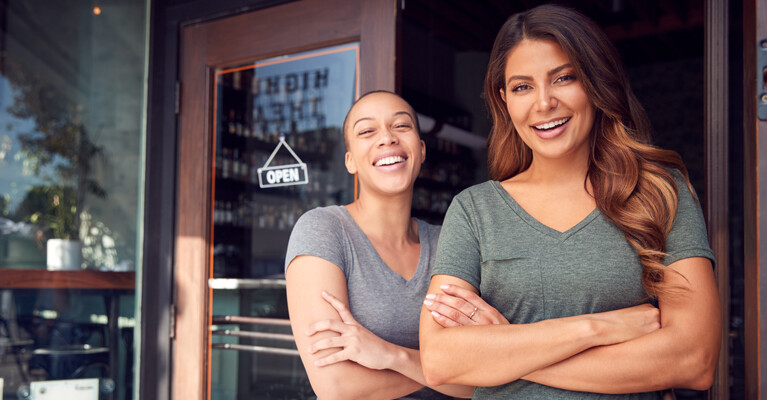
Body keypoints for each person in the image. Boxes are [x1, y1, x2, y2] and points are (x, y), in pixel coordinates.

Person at [419, 4, 720, 399]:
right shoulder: (475, 211)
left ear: (595, 83)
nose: (544, 103)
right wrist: (597, 328)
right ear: (504, 99)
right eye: (522, 86)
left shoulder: (659, 193)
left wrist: (505, 349)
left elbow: (693, 360)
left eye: (563, 78)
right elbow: (442, 360)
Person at [285, 91, 473, 399]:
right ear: (350, 161)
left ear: (421, 150)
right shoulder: (324, 230)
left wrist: (390, 356)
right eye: (367, 131)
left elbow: (484, 377)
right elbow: (337, 386)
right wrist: (449, 367)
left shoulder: (449, 243)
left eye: (401, 126)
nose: (387, 138)